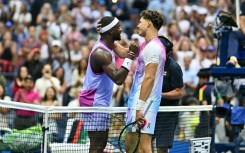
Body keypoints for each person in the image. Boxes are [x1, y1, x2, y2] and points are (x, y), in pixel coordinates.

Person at [79, 16, 139, 153]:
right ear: (111, 31)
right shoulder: (101, 53)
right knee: (97, 144)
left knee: (102, 142)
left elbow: (124, 52)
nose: (121, 29)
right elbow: (118, 79)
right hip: (93, 101)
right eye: (118, 27)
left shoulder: (110, 43)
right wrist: (131, 55)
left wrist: (137, 49)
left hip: (100, 101)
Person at [125, 10, 166, 153]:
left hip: (145, 104)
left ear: (149, 23)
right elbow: (125, 52)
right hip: (138, 102)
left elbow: (149, 78)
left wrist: (139, 107)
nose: (138, 25)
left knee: (143, 148)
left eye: (141, 21)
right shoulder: (146, 46)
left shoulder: (153, 47)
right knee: (131, 147)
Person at [153, 36, 184, 153]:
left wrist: (159, 95)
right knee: (144, 141)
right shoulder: (152, 64)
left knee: (161, 147)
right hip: (152, 110)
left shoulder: (174, 68)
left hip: (167, 113)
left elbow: (179, 92)